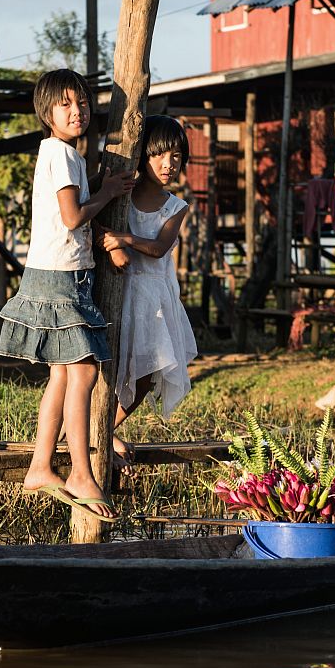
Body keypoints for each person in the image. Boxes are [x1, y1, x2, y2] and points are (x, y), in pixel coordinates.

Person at [0, 69, 134, 522]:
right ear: (47, 113)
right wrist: (109, 189)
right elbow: (73, 217)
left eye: (82, 104)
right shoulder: (59, 154)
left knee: (63, 376)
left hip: (60, 274)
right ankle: (78, 472)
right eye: (65, 105)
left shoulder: (64, 155)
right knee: (84, 376)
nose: (77, 112)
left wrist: (99, 185)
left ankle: (39, 465)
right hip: (59, 279)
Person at [101, 115, 197, 462]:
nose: (168, 164)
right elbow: (94, 220)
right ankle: (86, 434)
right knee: (107, 372)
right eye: (160, 155)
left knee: (145, 375)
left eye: (176, 157)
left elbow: (158, 248)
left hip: (154, 298)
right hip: (118, 292)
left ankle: (104, 430)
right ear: (144, 155)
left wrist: (123, 239)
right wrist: (112, 244)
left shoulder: (176, 206)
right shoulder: (122, 193)